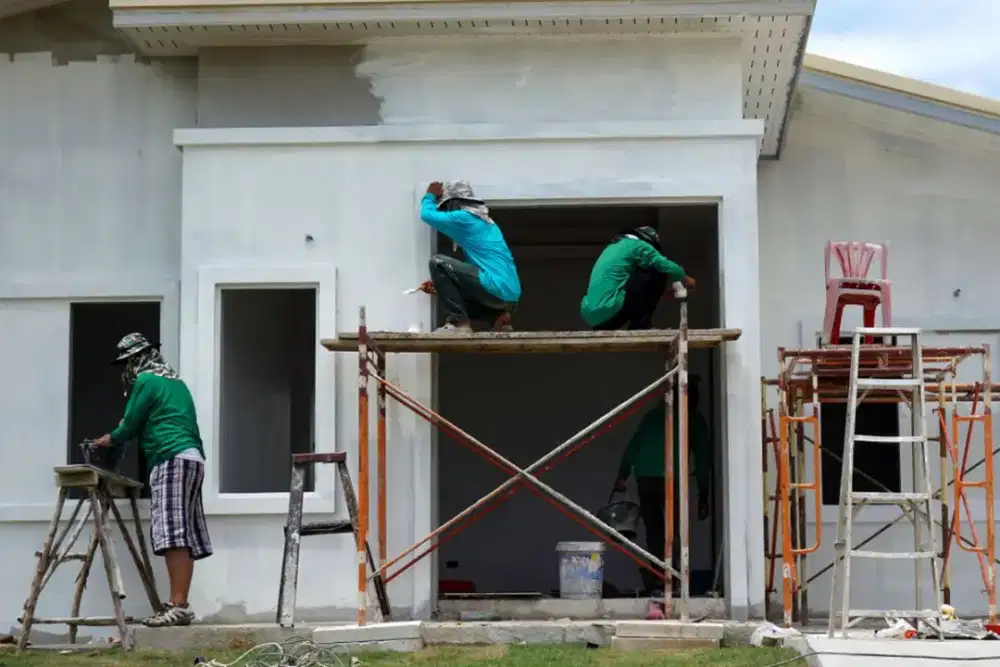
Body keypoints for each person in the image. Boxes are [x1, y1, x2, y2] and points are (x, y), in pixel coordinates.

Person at [90, 333, 212, 627]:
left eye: (128, 362)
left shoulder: (147, 380)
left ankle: (178, 605)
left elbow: (130, 423)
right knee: (183, 531)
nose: (128, 369)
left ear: (136, 360)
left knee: (173, 532)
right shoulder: (176, 382)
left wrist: (108, 440)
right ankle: (180, 604)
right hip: (192, 458)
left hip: (170, 456)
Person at [614, 377, 712, 618]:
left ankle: (659, 581)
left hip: (645, 478)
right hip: (672, 479)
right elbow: (703, 459)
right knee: (675, 532)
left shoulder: (653, 416)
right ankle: (672, 581)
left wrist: (622, 475)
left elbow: (634, 446)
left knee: (655, 531)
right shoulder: (694, 420)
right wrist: (704, 494)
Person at [420, 180, 521, 333]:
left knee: (438, 262)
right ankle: (497, 317)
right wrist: (442, 287)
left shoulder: (464, 217)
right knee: (456, 294)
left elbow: (427, 216)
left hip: (495, 287)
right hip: (509, 297)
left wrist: (430, 196)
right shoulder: (486, 223)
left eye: (447, 208)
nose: (447, 213)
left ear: (454, 203)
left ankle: (458, 324)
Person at [580, 226, 696, 330]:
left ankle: (628, 326)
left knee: (641, 271)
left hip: (594, 317)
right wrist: (685, 278)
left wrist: (660, 294)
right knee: (657, 269)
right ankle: (640, 326)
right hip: (611, 307)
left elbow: (630, 288)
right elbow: (664, 265)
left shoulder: (613, 247)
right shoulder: (636, 244)